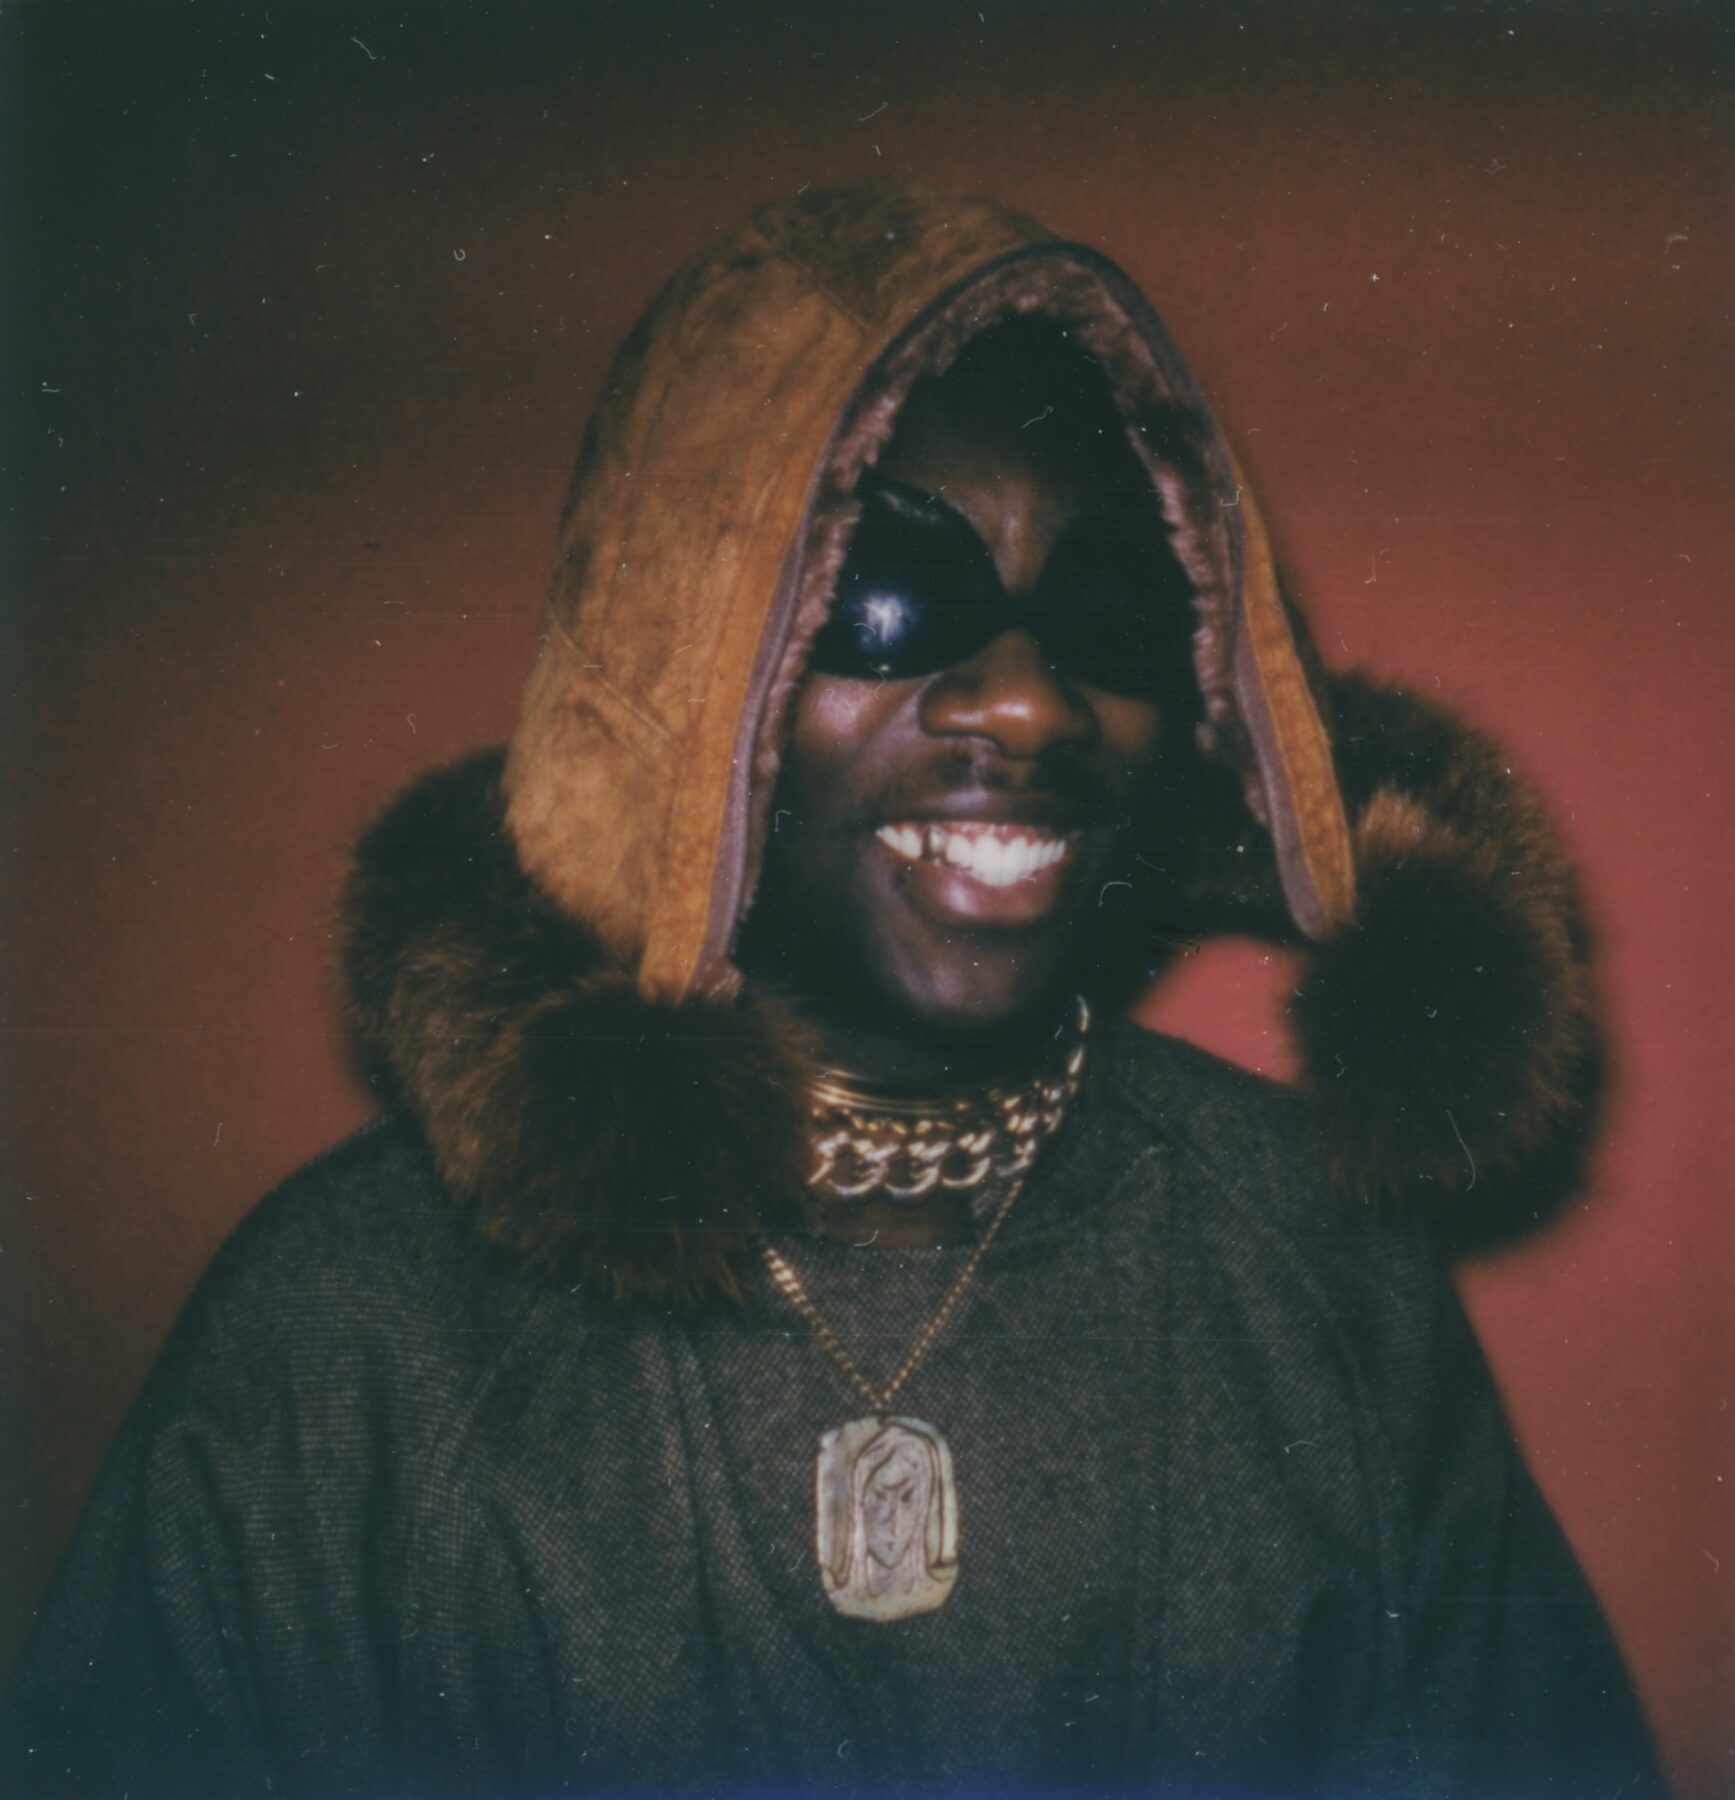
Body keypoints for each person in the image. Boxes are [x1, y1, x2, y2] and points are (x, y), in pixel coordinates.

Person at [1, 182, 1661, 1798]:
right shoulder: (349, 1338)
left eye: (1112, 610)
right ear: (681, 654)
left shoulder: (1322, 1276)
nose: (1030, 704)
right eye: (887, 593)